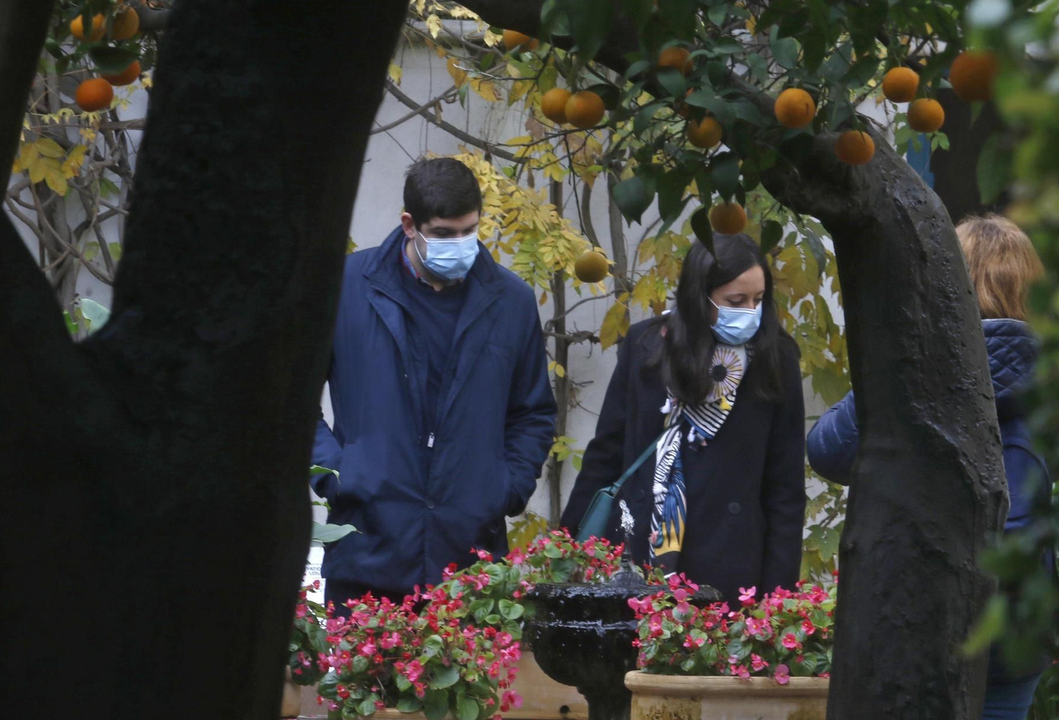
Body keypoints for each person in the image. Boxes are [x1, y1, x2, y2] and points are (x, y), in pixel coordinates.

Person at [807, 214, 1053, 720]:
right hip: (1015, 620)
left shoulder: (916, 363)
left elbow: (827, 449)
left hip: (919, 610)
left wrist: (898, 349)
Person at [311, 157, 556, 607]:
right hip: (367, 552)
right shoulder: (346, 287)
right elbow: (291, 400)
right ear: (409, 224)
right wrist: (338, 475)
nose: (459, 244)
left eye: (470, 230)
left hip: (471, 565)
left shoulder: (512, 302)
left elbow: (533, 413)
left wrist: (505, 487)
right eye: (444, 233)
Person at [561, 232, 806, 603]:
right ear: (699, 296)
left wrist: (776, 598)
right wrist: (566, 551)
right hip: (635, 557)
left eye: (758, 300)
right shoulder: (646, 346)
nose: (750, 312)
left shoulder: (776, 358)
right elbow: (605, 454)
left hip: (729, 565)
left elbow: (785, 489)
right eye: (736, 301)